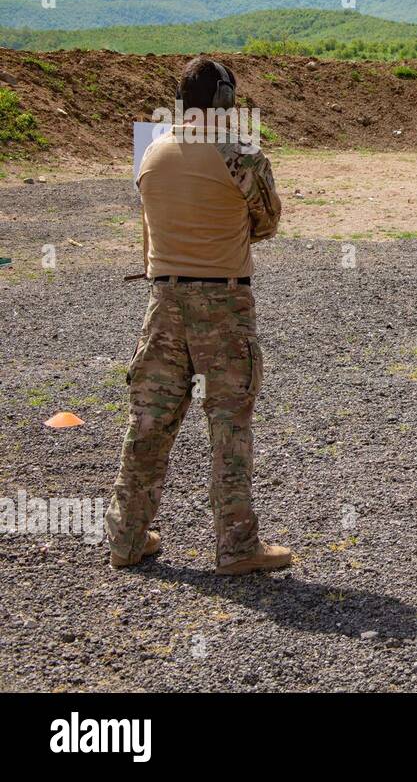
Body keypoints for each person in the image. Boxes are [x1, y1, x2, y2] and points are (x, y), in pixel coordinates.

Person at [106, 57, 291, 575]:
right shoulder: (242, 154)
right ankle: (236, 547)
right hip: (225, 306)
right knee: (229, 426)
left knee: (148, 424)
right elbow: (268, 222)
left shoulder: (154, 151)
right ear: (226, 100)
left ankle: (127, 538)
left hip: (162, 304)